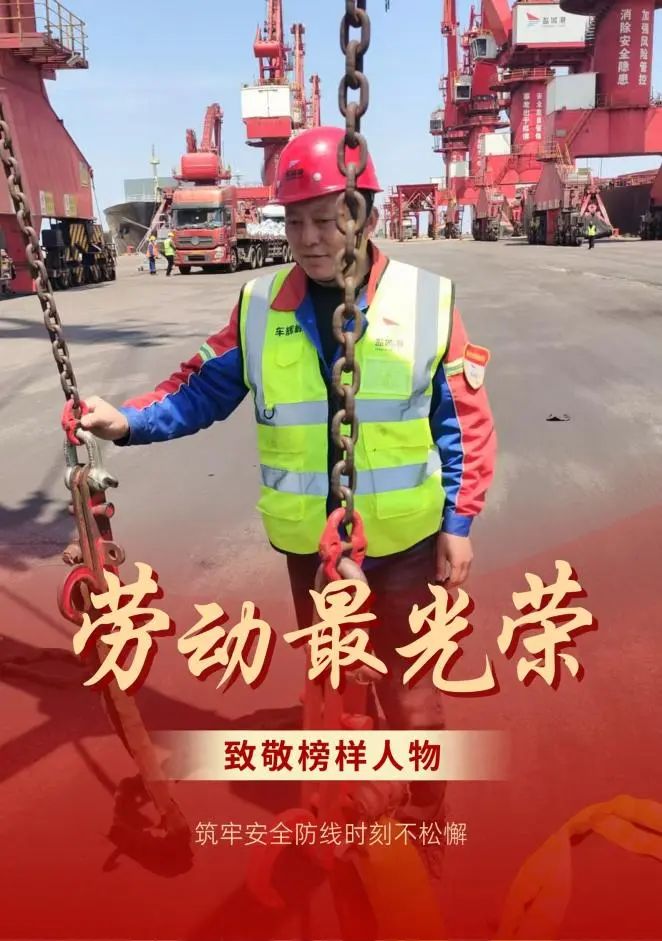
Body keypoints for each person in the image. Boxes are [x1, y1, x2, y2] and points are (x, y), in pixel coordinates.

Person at [79, 126, 496, 866]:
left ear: (365, 214)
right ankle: (349, 802)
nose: (308, 238)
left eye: (327, 218)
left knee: (411, 692)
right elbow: (200, 389)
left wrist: (458, 522)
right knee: (331, 680)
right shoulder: (258, 304)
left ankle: (425, 813)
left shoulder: (426, 301)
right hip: (310, 547)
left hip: (404, 543)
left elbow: (461, 419)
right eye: (295, 220)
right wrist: (127, 421)